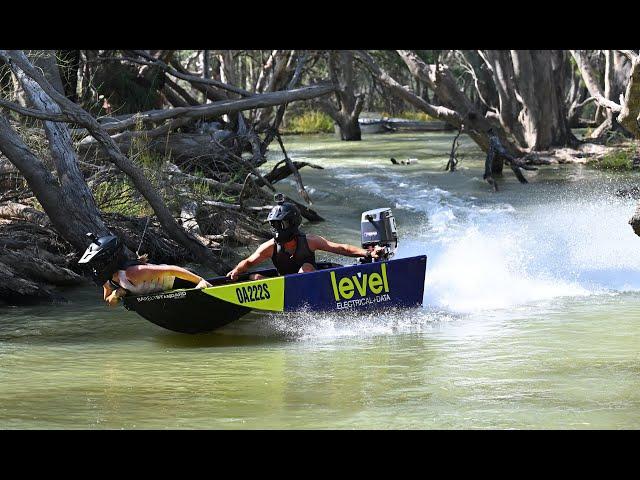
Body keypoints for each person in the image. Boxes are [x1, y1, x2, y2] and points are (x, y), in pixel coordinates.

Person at [226, 199, 385, 281]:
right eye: (273, 225)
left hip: (310, 285)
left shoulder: (310, 240)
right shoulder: (270, 247)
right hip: (283, 288)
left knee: (306, 267)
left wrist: (368, 253)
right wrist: (236, 271)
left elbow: (340, 248)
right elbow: (248, 263)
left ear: (292, 223)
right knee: (254, 277)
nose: (276, 228)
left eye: (280, 224)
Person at [78, 233, 212, 307]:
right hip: (169, 289)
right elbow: (108, 299)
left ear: (109, 261)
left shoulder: (134, 272)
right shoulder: (109, 278)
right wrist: (117, 293)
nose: (95, 269)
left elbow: (171, 270)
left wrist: (200, 281)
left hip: (184, 279)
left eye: (97, 264)